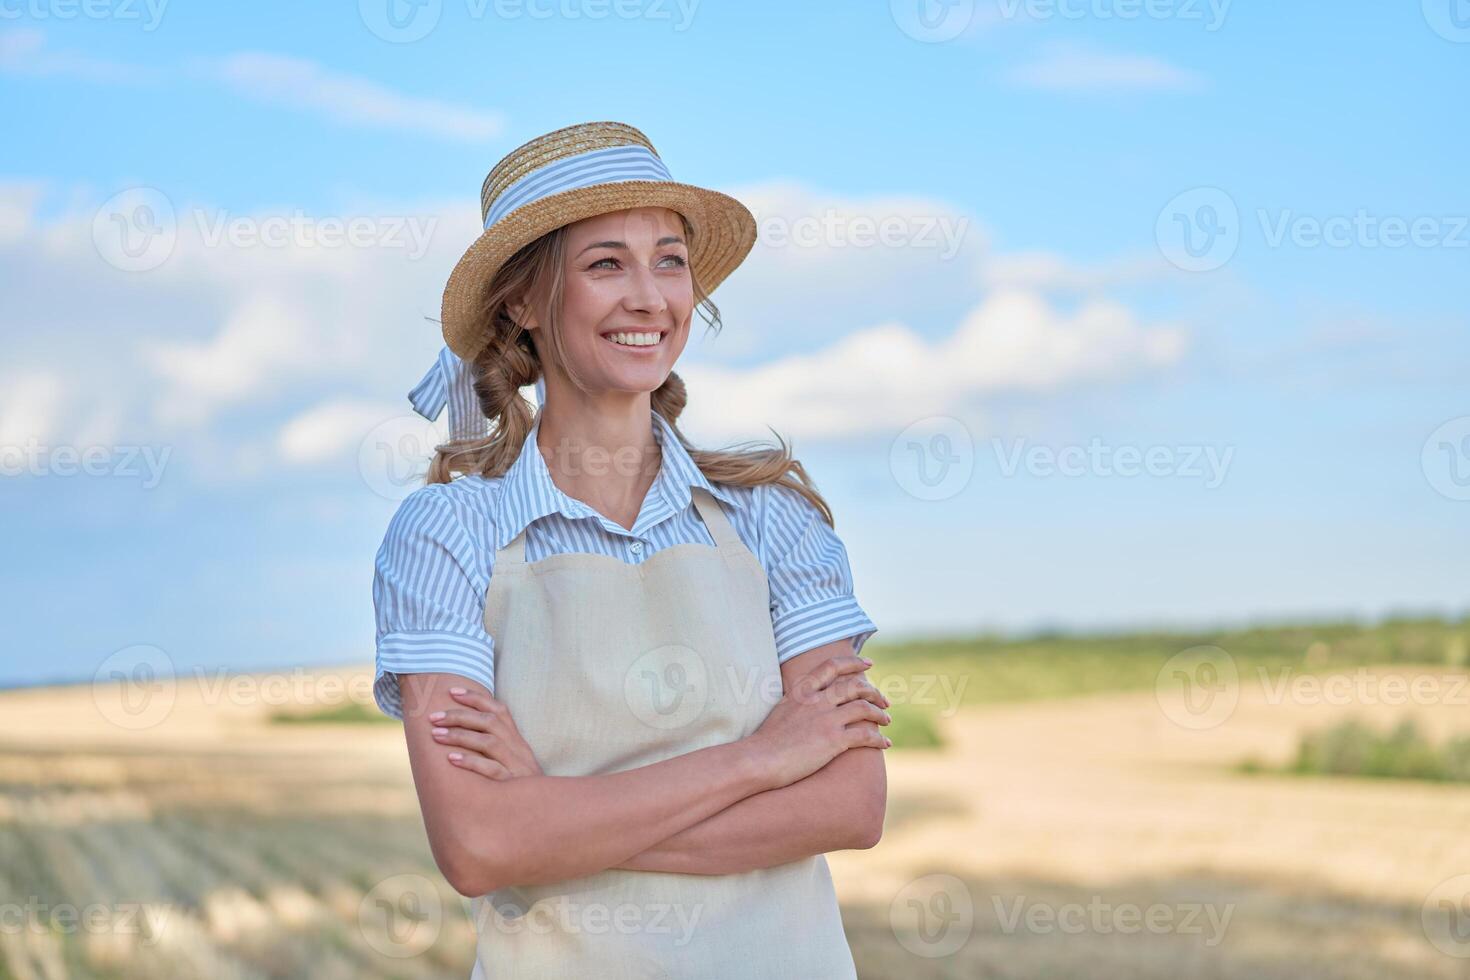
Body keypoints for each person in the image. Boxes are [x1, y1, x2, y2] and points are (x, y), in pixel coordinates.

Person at [372, 120, 889, 978]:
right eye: (606, 263)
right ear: (525, 302)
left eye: (670, 260)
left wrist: (552, 820)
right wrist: (763, 759)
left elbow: (851, 803)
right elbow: (476, 847)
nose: (650, 297)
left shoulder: (774, 518)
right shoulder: (444, 537)